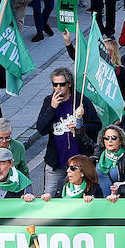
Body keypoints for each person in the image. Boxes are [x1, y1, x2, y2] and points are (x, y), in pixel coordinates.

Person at [36, 68, 101, 196]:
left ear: (69, 84)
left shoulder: (81, 100)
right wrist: (52, 108)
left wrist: (80, 125)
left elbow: (96, 125)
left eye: (62, 84)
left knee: (82, 195)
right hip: (56, 162)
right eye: (55, 85)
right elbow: (41, 129)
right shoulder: (49, 101)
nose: (58, 88)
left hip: (79, 163)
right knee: (49, 196)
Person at [93, 125, 125, 196]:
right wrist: (79, 119)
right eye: (106, 138)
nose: (110, 141)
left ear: (120, 141)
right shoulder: (98, 153)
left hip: (117, 200)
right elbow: (83, 138)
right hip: (99, 200)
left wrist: (119, 188)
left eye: (114, 138)